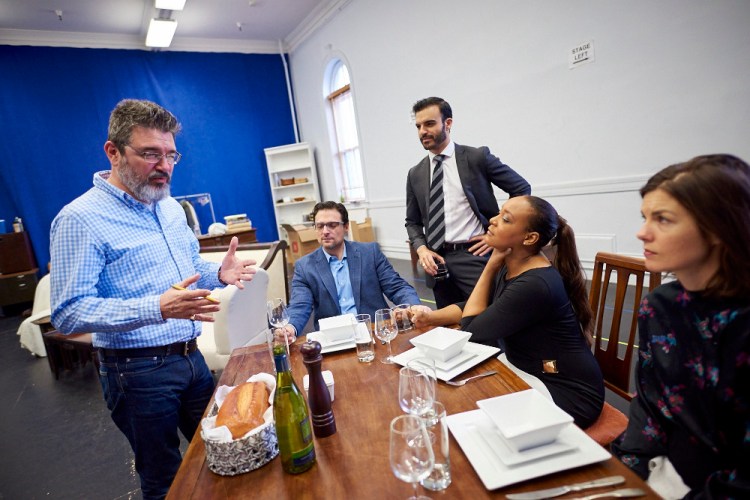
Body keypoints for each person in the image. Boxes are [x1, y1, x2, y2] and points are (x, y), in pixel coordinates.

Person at [49, 99, 257, 499]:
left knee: (225, 448)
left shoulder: (170, 208)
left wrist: (219, 273)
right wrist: (157, 307)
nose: (165, 166)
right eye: (150, 154)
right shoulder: (80, 219)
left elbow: (188, 264)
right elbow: (69, 312)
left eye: (170, 154)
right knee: (165, 481)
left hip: (190, 358)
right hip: (137, 373)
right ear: (113, 152)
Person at [611, 154, 750, 499]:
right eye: (645, 217)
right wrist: (628, 474)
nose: (642, 232)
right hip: (670, 468)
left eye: (663, 219)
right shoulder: (661, 304)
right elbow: (650, 403)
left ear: (719, 227)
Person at [412, 195, 604, 428]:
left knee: (462, 410)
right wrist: (430, 317)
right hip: (532, 370)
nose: (492, 220)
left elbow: (472, 329)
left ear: (530, 237)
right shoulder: (516, 265)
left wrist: (491, 265)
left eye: (505, 219)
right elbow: (480, 307)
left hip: (566, 393)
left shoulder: (534, 283)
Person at [405, 96, 531, 309]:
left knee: (486, 321)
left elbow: (521, 188)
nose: (422, 131)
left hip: (474, 256)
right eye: (418, 126)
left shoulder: (476, 157)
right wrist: (422, 250)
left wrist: (495, 231)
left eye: (429, 123)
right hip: (436, 263)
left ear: (448, 123)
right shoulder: (415, 173)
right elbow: (412, 222)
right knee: (450, 326)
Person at [283, 201, 420, 338]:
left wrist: (414, 306)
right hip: (334, 338)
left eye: (332, 225)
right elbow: (299, 306)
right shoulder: (304, 266)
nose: (325, 231)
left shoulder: (370, 253)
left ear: (346, 226)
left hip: (374, 331)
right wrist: (291, 327)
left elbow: (396, 287)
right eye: (320, 226)